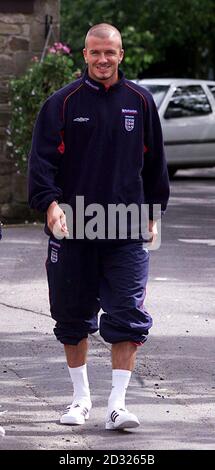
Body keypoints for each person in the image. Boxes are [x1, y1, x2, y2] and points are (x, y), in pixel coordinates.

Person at [28, 23, 169, 430]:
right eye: (95, 53)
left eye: (110, 53)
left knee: (127, 313)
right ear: (84, 56)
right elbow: (42, 162)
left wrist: (153, 211)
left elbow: (155, 164)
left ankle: (117, 405)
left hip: (125, 229)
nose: (103, 60)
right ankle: (80, 399)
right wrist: (50, 205)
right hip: (73, 228)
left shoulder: (140, 102)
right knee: (72, 316)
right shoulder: (62, 103)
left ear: (121, 54)